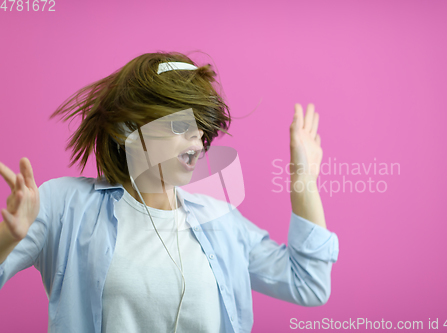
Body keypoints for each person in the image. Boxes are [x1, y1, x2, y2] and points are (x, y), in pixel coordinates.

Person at [0, 51, 340, 333]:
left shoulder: (219, 220)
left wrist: (303, 178)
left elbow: (308, 283)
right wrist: (6, 238)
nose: (196, 140)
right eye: (180, 125)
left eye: (202, 129)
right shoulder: (63, 206)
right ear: (125, 129)